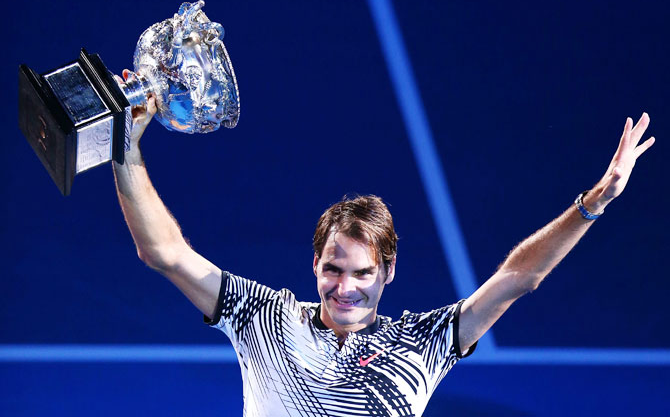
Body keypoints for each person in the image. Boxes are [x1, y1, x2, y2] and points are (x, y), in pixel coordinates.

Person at [113, 71, 655, 417]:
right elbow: (164, 253)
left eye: (362, 273)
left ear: (388, 271)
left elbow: (518, 278)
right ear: (316, 264)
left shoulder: (426, 343)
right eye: (333, 269)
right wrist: (125, 149)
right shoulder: (264, 318)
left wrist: (593, 203)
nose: (343, 288)